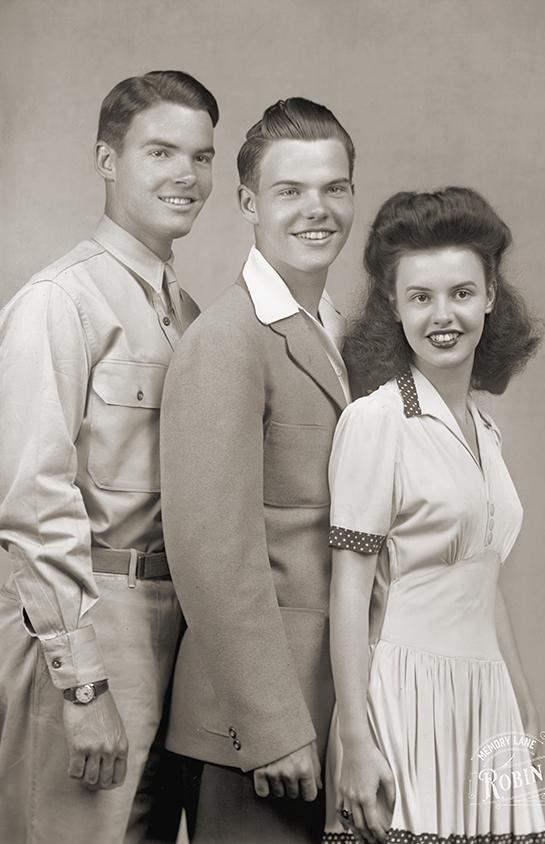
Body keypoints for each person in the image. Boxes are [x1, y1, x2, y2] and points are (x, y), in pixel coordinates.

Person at [0, 70, 218, 843]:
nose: (186, 176)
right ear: (106, 159)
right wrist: (81, 679)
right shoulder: (60, 302)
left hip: (176, 625)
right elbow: (31, 500)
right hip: (93, 613)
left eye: (201, 157)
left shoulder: (188, 314)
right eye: (161, 151)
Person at [322, 188, 545, 843]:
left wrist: (521, 697)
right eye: (420, 296)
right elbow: (348, 593)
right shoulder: (377, 423)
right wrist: (357, 740)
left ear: (490, 296)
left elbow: (484, 576)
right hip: (401, 699)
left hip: (485, 704)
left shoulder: (485, 429)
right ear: (393, 304)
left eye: (461, 292)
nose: (443, 315)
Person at [160, 97, 355, 842]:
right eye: (291, 190)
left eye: (334, 187)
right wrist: (273, 725)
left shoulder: (342, 333)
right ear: (247, 202)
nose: (317, 209)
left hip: (337, 712)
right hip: (256, 733)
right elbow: (214, 555)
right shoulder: (226, 341)